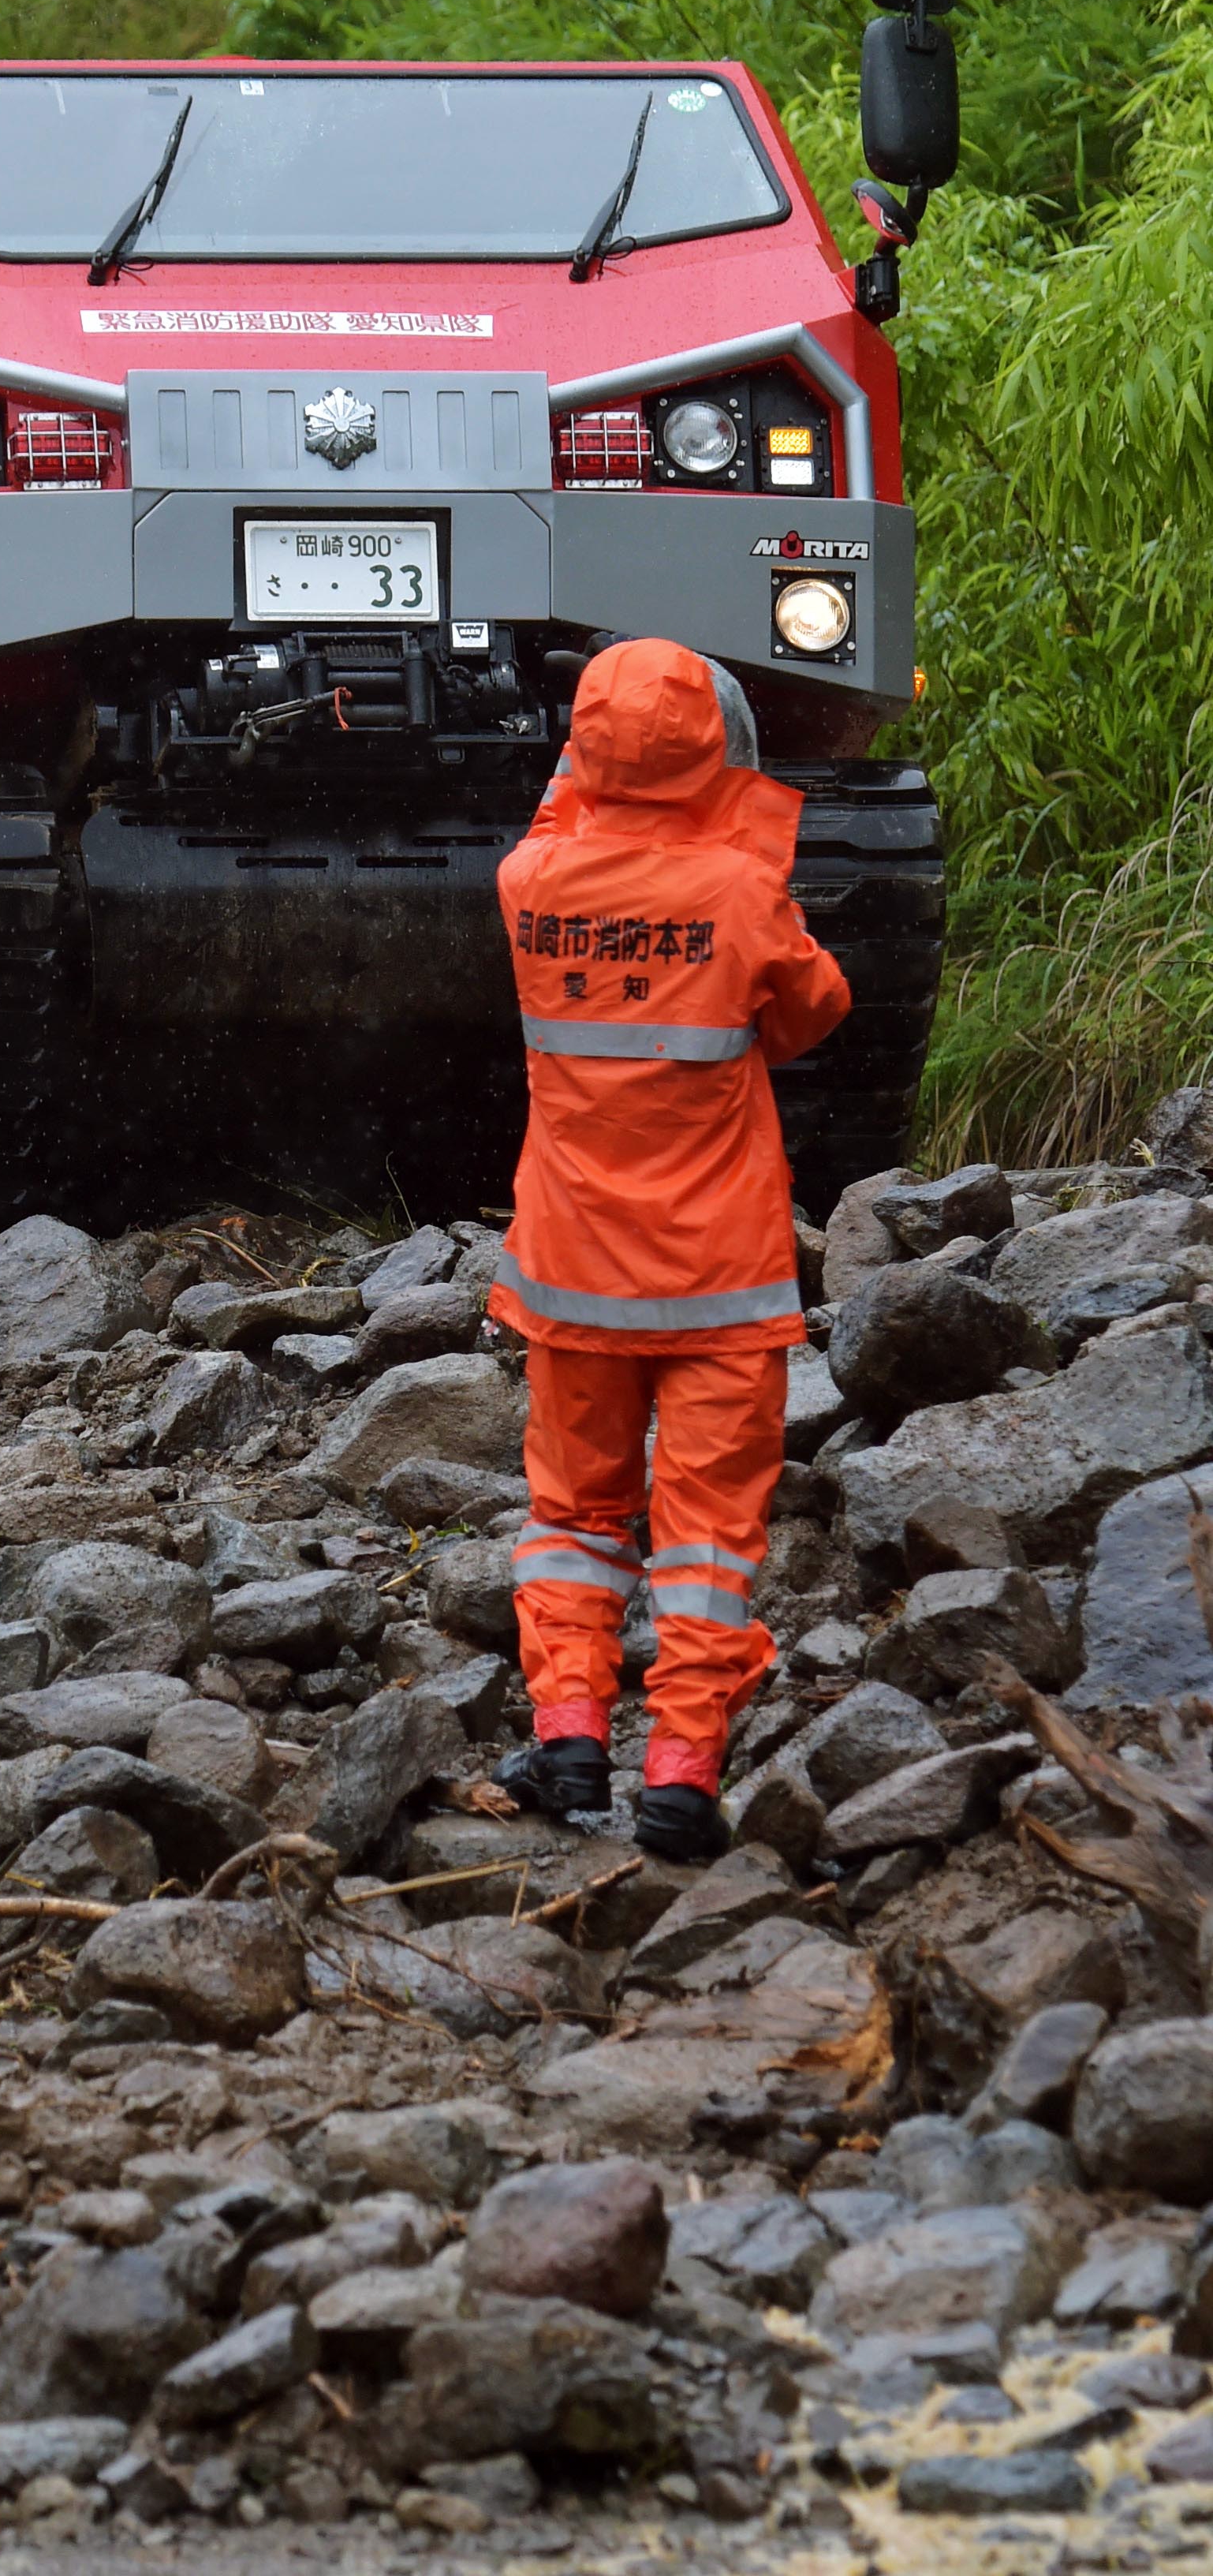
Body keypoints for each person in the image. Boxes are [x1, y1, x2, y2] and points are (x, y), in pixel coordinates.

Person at [486, 637, 851, 1862]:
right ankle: (683, 1774)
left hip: (573, 1276)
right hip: (720, 1288)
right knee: (703, 1543)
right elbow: (815, 1011)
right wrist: (740, 851)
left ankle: (572, 1738)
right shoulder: (742, 895)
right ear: (717, 750)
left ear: (579, 753)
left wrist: (587, 784)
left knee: (576, 1518)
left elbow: (565, 820)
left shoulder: (528, 878)